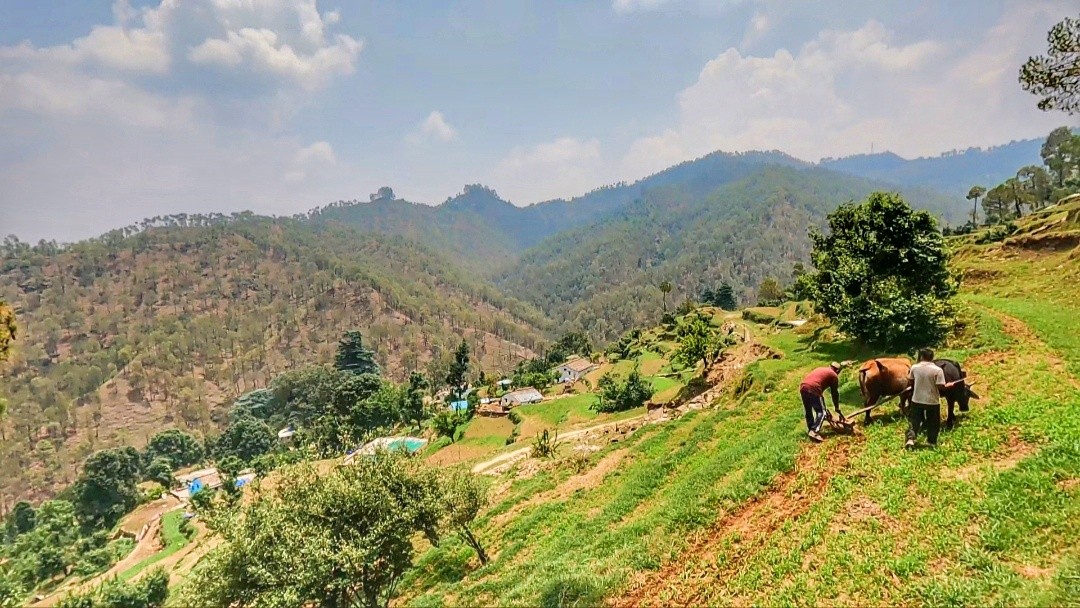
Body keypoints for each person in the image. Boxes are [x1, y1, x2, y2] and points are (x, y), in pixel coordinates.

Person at [906, 348, 962, 449]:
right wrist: (948, 385)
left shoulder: (914, 368)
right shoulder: (937, 370)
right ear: (932, 357)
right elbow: (941, 386)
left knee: (914, 420)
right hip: (932, 401)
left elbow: (910, 381)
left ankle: (910, 439)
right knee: (933, 422)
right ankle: (931, 442)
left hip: (917, 399)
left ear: (921, 357)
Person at [799, 362, 844, 442]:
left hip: (803, 387)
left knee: (808, 410)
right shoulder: (834, 375)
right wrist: (837, 407)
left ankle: (810, 428)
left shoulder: (821, 368)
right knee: (822, 412)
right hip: (814, 388)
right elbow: (834, 393)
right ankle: (814, 431)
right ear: (837, 371)